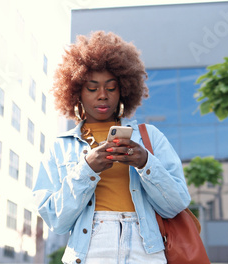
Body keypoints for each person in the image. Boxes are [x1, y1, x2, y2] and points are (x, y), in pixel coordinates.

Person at [33, 31, 190, 264]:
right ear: (77, 93)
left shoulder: (150, 137)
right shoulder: (60, 147)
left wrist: (144, 162)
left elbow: (175, 205)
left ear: (124, 90)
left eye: (111, 87)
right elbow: (56, 220)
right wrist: (87, 169)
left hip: (145, 249)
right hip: (90, 249)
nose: (103, 96)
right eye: (92, 88)